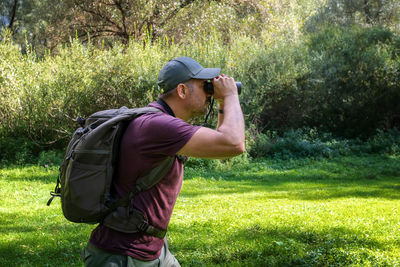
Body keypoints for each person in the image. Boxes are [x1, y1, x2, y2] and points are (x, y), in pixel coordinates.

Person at [82, 56, 245, 266]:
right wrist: (230, 95)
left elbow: (223, 148)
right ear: (182, 91)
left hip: (153, 250)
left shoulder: (160, 122)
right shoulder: (158, 126)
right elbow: (234, 144)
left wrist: (222, 101)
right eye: (203, 85)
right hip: (123, 255)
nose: (209, 90)